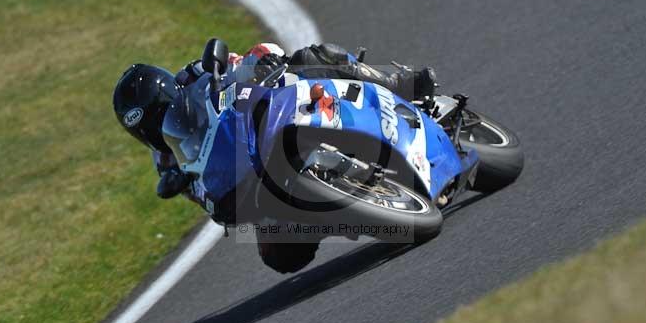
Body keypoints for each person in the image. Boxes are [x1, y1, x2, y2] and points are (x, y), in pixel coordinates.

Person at [112, 40, 437, 201]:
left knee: (310, 58)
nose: (156, 127)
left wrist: (260, 62)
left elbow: (239, 60)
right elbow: (205, 195)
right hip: (250, 183)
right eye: (146, 127)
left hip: (260, 118)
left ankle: (400, 83)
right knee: (279, 257)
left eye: (158, 114)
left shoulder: (193, 73)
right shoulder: (166, 161)